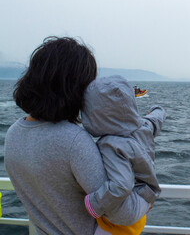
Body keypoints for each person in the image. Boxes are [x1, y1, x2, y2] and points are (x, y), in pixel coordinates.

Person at [4, 37, 150, 235]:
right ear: (76, 88)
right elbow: (122, 213)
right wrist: (147, 193)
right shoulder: (73, 140)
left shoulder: (13, 134)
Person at [81, 75, 166, 235]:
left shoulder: (111, 144)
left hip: (127, 212)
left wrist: (93, 204)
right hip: (147, 196)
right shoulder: (144, 127)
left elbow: (121, 185)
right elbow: (156, 120)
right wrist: (158, 109)